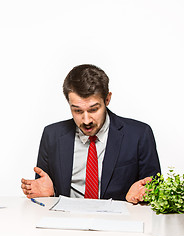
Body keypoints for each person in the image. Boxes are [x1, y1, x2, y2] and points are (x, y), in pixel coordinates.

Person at [21, 64, 161, 204]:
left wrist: (141, 196)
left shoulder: (139, 135)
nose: (86, 120)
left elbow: (154, 191)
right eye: (77, 111)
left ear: (107, 99)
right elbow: (43, 188)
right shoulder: (52, 135)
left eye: (93, 109)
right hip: (66, 221)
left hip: (118, 221)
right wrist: (50, 195)